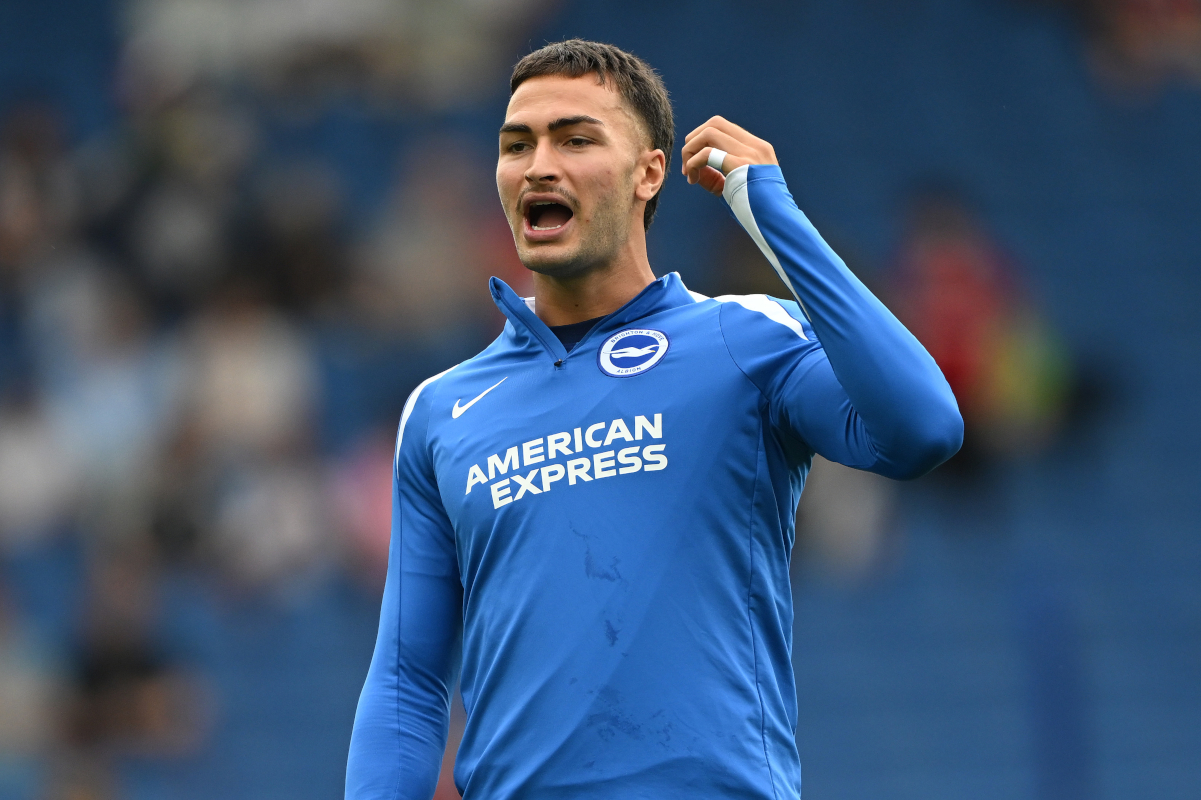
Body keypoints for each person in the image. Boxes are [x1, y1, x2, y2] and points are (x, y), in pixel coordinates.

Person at [345, 39, 962, 800]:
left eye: (575, 139)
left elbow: (921, 428)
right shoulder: (440, 410)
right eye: (516, 145)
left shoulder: (745, 339)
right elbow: (407, 682)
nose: (538, 164)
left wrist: (776, 218)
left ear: (648, 172)